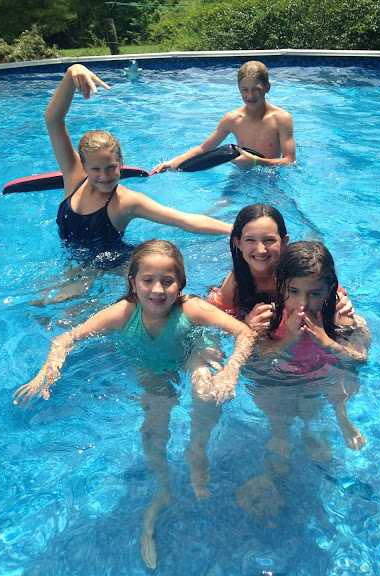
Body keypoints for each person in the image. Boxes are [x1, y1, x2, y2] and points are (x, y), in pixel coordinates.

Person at [14, 239, 255, 569]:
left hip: (191, 353)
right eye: (147, 281)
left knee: (206, 392)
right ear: (132, 282)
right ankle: (163, 489)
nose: (157, 290)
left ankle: (197, 449)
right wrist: (48, 371)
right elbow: (65, 339)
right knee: (153, 428)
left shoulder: (192, 309)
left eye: (167, 281)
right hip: (149, 365)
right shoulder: (123, 313)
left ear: (181, 283)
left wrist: (231, 371)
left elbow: (245, 333)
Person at [235, 241, 371, 526]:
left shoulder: (338, 318)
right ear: (280, 286)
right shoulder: (269, 318)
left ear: (329, 291)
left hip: (318, 379)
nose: (302, 303)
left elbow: (360, 358)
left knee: (342, 380)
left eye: (314, 293)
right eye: (294, 292)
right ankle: (278, 432)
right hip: (279, 379)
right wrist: (288, 340)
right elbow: (257, 360)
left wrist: (326, 340)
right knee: (269, 394)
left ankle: (335, 418)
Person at [46, 63, 231, 268]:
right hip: (75, 265)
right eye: (95, 169)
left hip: (114, 269)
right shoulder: (73, 175)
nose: (104, 176)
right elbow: (53, 120)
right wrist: (72, 72)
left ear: (121, 163)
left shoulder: (126, 202)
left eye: (111, 167)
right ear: (83, 165)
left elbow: (184, 220)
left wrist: (235, 230)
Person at [207, 204, 352, 330]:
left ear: (284, 242)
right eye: (250, 240)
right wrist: (246, 324)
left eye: (269, 240)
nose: (261, 250)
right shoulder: (235, 283)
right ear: (238, 243)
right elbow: (217, 318)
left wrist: (341, 302)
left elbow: (327, 288)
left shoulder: (296, 268)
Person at [152, 60, 296, 173]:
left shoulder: (281, 119)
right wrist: (173, 162)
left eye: (256, 90)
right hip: (240, 175)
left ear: (267, 88)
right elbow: (203, 148)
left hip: (269, 176)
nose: (250, 95)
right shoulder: (232, 119)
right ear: (239, 89)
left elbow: (290, 161)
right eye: (245, 90)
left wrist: (255, 162)